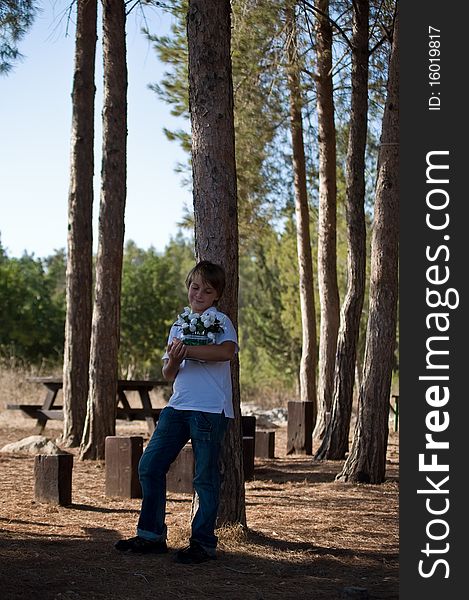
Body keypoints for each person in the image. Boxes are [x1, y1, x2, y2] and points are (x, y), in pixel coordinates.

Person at [115, 260, 238, 564]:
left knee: (204, 478)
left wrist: (189, 350)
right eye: (195, 287)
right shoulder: (179, 325)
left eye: (206, 290)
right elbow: (170, 372)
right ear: (189, 288)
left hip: (209, 409)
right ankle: (151, 535)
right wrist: (174, 358)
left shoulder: (221, 322)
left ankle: (203, 543)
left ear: (216, 295)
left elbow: (226, 352)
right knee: (149, 465)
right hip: (177, 405)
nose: (199, 293)